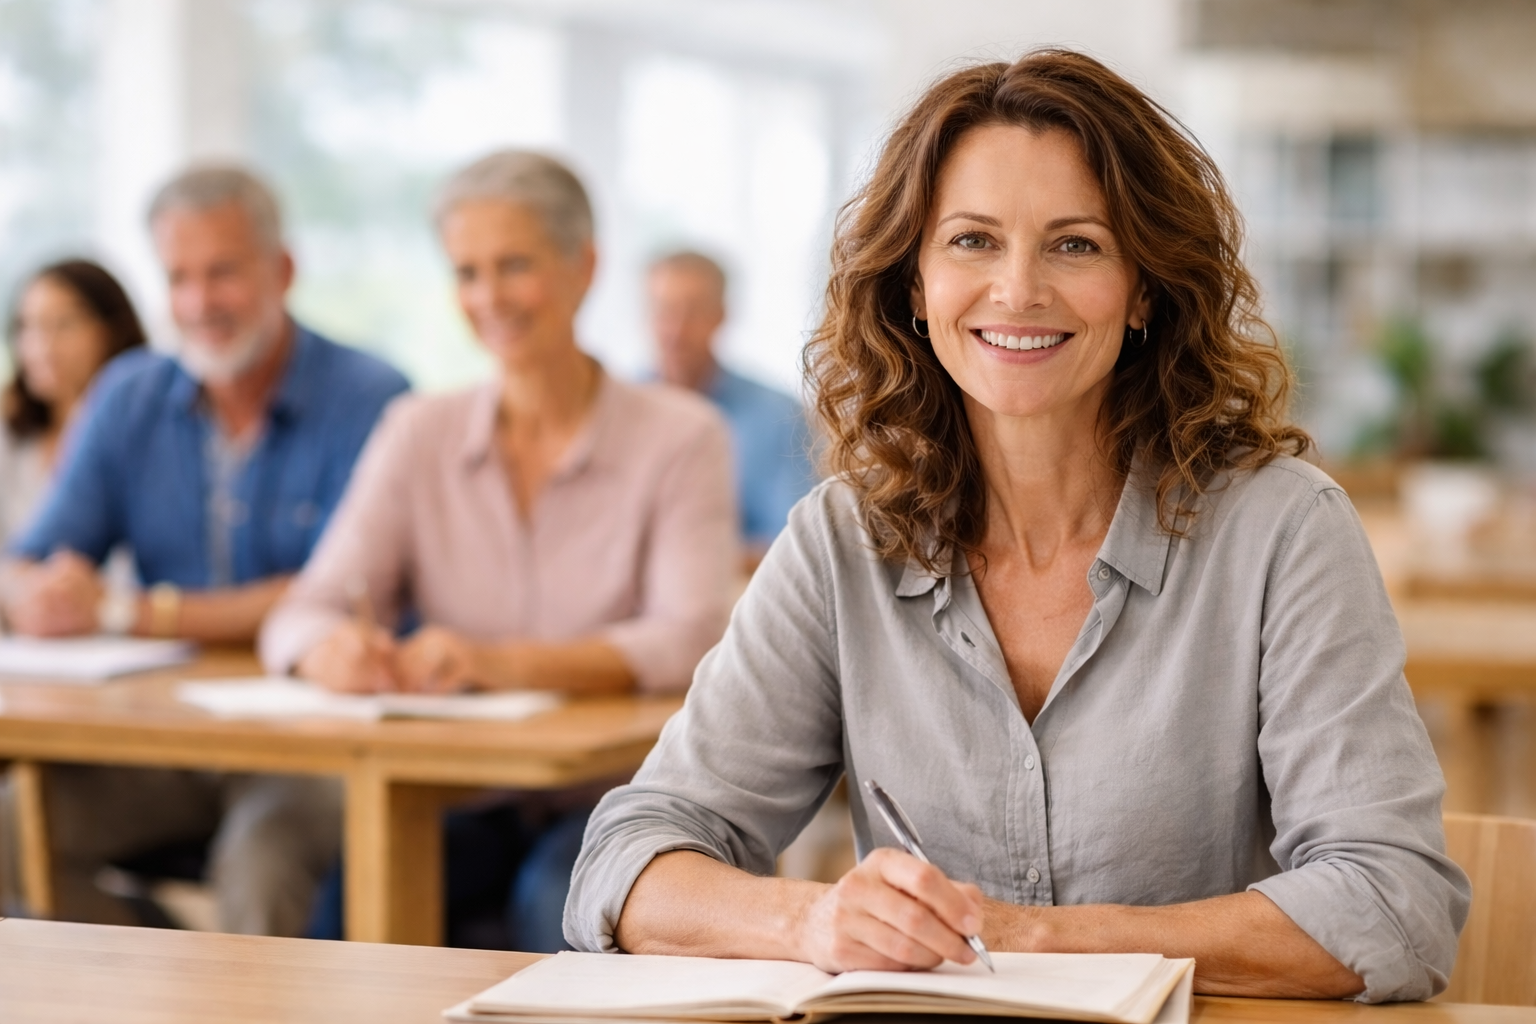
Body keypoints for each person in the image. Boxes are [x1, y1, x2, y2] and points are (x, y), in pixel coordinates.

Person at [566, 50, 1470, 1002]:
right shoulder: (844, 541)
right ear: (915, 287)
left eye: (1075, 244)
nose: (1018, 289)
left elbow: (1392, 904)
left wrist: (1032, 937)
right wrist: (815, 920)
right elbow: (628, 861)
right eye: (971, 241)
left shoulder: (1282, 530)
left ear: (1146, 289)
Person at [260, 151, 737, 950]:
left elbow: (689, 638)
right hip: (457, 794)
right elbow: (301, 611)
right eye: (467, 272)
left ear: (583, 267)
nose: (489, 298)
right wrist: (328, 653)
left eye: (513, 265)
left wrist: (495, 661)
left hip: (615, 799)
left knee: (558, 904)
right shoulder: (419, 431)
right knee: (347, 916)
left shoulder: (681, 435)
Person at [0, 165, 410, 936]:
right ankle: (164, 971)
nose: (197, 304)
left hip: (314, 742)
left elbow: (328, 591)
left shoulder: (370, 396)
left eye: (221, 273)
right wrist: (34, 591)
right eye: (178, 277)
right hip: (168, 735)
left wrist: (129, 612)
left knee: (261, 861)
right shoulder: (131, 394)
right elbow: (27, 558)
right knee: (13, 829)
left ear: (281, 271)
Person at [649, 251, 815, 563]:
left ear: (721, 315)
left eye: (693, 312)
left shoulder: (778, 416)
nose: (676, 330)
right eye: (664, 310)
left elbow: (795, 542)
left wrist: (689, 559)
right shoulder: (615, 409)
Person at [0, 260, 148, 548]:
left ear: (110, 330)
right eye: (27, 326)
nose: (42, 346)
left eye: (63, 324)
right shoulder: (11, 433)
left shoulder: (144, 428)